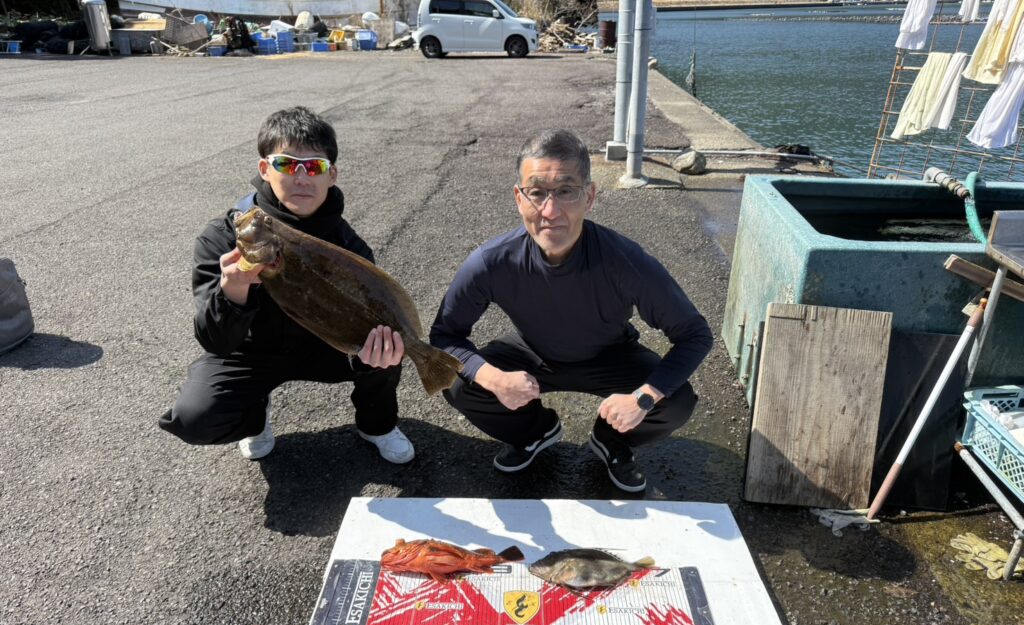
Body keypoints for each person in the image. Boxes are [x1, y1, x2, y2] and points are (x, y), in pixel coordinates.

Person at [429, 129, 713, 493]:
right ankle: (534, 432)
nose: (550, 211)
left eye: (566, 191)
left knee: (676, 401)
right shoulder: (489, 262)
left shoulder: (625, 260)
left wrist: (642, 399)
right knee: (456, 381)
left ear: (590, 196)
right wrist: (494, 379)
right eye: (537, 193)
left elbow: (694, 334)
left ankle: (612, 440)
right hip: (533, 350)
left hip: (610, 353)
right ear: (519, 198)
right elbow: (444, 336)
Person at [159, 106, 414, 464]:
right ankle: (253, 417)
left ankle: (377, 424)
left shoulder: (348, 246)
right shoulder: (225, 237)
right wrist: (232, 291)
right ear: (265, 168)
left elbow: (375, 311)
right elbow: (215, 342)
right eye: (286, 164)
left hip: (327, 345)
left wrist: (390, 347)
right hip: (253, 351)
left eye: (314, 166)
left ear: (332, 175)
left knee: (385, 350)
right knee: (194, 418)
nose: (301, 177)